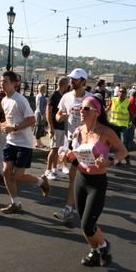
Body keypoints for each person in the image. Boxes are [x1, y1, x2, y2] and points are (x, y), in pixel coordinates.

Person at [65, 96, 127, 266]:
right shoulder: (78, 131)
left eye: (85, 109)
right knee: (84, 223)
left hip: (97, 182)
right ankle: (94, 251)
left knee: (88, 225)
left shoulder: (105, 132)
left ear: (96, 112)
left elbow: (123, 151)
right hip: (80, 179)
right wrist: (68, 156)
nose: (80, 111)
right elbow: (73, 154)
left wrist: (110, 160)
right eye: (80, 108)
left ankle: (104, 245)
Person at [0, 71, 50, 213]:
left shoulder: (20, 100)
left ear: (14, 83)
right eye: (1, 81)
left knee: (18, 176)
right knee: (6, 172)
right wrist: (2, 125)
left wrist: (13, 127)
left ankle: (41, 182)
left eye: (5, 82)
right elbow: (10, 120)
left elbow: (31, 120)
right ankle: (15, 203)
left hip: (24, 144)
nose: (2, 84)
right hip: (10, 142)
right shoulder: (4, 100)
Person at [54, 68, 92, 220]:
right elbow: (57, 114)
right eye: (71, 78)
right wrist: (60, 117)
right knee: (73, 175)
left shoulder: (91, 99)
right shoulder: (66, 97)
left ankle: (75, 206)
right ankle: (70, 207)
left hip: (87, 142)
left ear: (83, 81)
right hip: (71, 141)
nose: (72, 81)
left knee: (80, 176)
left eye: (75, 79)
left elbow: (99, 119)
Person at [44, 77, 69, 180]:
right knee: (53, 149)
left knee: (57, 149)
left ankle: (54, 169)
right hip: (56, 126)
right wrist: (51, 127)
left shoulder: (60, 95)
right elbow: (48, 111)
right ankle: (48, 170)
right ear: (65, 84)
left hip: (60, 126)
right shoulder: (55, 95)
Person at [106, 86, 135, 165]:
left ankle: (126, 157)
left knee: (123, 142)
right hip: (114, 124)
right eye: (120, 91)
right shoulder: (113, 100)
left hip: (123, 125)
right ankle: (118, 159)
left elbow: (131, 113)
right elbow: (108, 108)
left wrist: (132, 122)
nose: (121, 93)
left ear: (126, 94)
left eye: (123, 92)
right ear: (118, 92)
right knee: (116, 143)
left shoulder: (128, 102)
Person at [34, 84, 47, 148]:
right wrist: (43, 115)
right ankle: (38, 142)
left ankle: (38, 142)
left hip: (38, 113)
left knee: (38, 127)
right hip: (40, 113)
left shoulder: (38, 96)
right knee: (39, 127)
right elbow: (40, 107)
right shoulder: (41, 96)